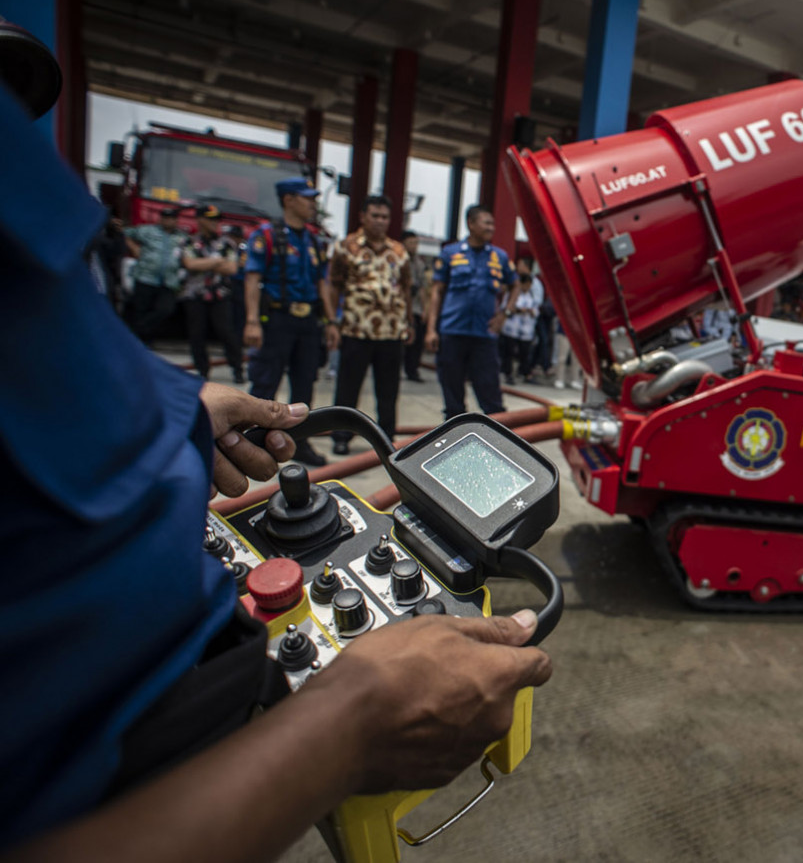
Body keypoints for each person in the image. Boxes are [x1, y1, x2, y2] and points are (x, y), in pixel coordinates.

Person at [0, 74, 551, 863]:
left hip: (179, 652)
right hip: (123, 732)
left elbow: (46, 358)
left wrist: (175, 416)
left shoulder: (420, 258)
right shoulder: (293, 245)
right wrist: (343, 730)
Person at [242, 177, 337, 467]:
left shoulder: (314, 240)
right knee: (265, 382)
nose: (312, 204)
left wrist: (331, 321)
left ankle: (300, 442)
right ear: (288, 200)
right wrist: (252, 321)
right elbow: (252, 279)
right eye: (306, 198)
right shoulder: (266, 236)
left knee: (305, 384)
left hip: (308, 322)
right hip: (277, 321)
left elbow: (322, 283)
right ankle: (252, 442)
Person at [323, 196, 413, 455]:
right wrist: (331, 321)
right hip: (356, 330)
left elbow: (406, 289)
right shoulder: (345, 247)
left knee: (388, 392)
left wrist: (409, 322)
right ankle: (341, 436)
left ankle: (387, 441)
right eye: (375, 215)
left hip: (391, 332)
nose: (380, 221)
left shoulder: (398, 251)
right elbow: (334, 285)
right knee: (348, 389)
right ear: (363, 216)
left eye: (385, 217)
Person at [426, 205, 514, 418]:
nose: (491, 228)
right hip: (452, 333)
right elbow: (436, 291)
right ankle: (456, 438)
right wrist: (431, 329)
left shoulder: (499, 257)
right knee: (452, 395)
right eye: (486, 223)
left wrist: (505, 313)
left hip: (484, 335)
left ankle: (498, 442)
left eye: (492, 224)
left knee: (491, 395)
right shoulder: (450, 253)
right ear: (471, 224)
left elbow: (515, 285)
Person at [178, 204, 245, 383]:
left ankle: (237, 369)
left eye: (216, 219)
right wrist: (217, 261)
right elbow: (190, 265)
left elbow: (231, 268)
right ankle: (202, 370)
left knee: (226, 332)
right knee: (196, 334)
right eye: (210, 219)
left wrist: (203, 263)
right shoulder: (188, 241)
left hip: (220, 295)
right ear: (199, 219)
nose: (214, 223)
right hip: (194, 295)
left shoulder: (227, 243)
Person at [124, 205, 186, 344]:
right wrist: (134, 248)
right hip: (145, 277)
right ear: (161, 219)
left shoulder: (181, 237)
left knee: (165, 310)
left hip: (169, 281)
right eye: (166, 218)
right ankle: (141, 342)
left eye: (172, 219)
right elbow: (126, 233)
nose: (169, 221)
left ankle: (135, 332)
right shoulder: (148, 231)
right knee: (141, 309)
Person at [498, 255, 542, 385]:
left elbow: (537, 308)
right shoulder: (512, 293)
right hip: (512, 328)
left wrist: (530, 311)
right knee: (509, 352)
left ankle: (525, 373)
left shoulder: (533, 292)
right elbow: (505, 307)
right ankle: (508, 373)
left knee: (525, 352)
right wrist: (517, 310)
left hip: (526, 330)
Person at [402, 229, 428, 384]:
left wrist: (425, 309)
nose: (414, 246)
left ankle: (412, 370)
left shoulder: (419, 264)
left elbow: (423, 288)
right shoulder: (398, 260)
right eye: (411, 243)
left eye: (416, 243)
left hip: (416, 307)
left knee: (416, 341)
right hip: (400, 308)